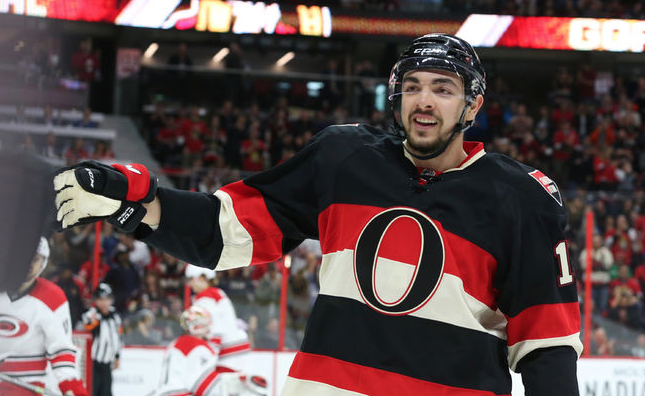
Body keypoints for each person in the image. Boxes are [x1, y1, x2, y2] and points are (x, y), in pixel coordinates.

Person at [54, 33, 582, 395]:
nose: (425, 101)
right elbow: (223, 231)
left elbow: (547, 346)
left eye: (443, 89)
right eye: (413, 86)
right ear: (396, 97)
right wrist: (138, 205)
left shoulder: (523, 198)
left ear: (471, 106)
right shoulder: (343, 159)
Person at [0, 237, 88, 396]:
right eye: (25, 257)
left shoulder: (52, 297)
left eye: (36, 259)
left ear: (43, 263)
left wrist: (70, 386)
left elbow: (61, 351)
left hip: (29, 384)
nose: (29, 264)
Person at [152, 305, 267, 396]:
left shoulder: (175, 343)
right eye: (206, 323)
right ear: (198, 325)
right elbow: (203, 385)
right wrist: (237, 382)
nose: (209, 327)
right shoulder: (199, 346)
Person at [185, 264, 251, 371]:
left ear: (202, 278)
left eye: (191, 279)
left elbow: (216, 330)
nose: (190, 284)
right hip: (237, 350)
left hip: (227, 356)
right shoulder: (217, 293)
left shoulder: (205, 298)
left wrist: (208, 357)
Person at [82, 283, 123, 396]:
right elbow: (87, 323)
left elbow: (118, 337)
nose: (104, 303)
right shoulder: (94, 314)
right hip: (94, 364)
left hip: (107, 363)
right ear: (96, 300)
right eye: (101, 299)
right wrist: (93, 318)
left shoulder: (115, 315)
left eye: (107, 299)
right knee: (92, 391)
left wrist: (117, 356)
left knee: (106, 392)